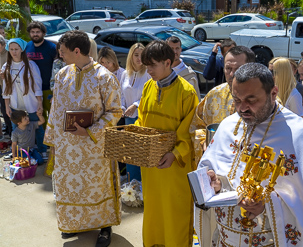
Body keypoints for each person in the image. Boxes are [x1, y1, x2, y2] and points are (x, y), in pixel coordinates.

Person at [195, 63, 303, 246]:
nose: (242, 108)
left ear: (273, 93)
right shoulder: (228, 126)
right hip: (224, 239)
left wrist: (267, 204)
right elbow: (212, 169)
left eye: (251, 100)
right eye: (236, 99)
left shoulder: (300, 136)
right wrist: (214, 182)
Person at [43, 30, 122, 247]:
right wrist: (52, 142)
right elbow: (56, 110)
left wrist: (90, 131)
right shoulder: (62, 75)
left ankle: (105, 226)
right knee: (70, 187)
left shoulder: (105, 77)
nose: (60, 56)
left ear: (77, 51)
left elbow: (115, 112)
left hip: (94, 149)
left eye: (63, 52)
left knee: (97, 187)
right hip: (67, 148)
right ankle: (76, 223)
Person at [136, 40, 199, 246]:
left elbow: (192, 132)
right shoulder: (147, 86)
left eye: (152, 65)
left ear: (168, 63)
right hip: (151, 166)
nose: (149, 70)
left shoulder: (187, 92)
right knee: (153, 210)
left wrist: (174, 154)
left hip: (175, 167)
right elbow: (141, 120)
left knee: (175, 213)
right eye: (146, 66)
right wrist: (136, 137)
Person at [190, 46, 255, 165]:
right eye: (228, 68)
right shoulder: (214, 94)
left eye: (238, 69)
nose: (232, 74)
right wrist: (204, 142)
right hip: (217, 166)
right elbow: (197, 126)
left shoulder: (265, 99)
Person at [2, 38, 44, 149]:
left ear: (22, 49)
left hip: (31, 103)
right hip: (15, 104)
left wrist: (40, 103)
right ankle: (19, 151)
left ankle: (41, 149)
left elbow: (37, 85)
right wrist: (7, 106)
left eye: (16, 49)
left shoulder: (31, 65)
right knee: (16, 128)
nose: (14, 52)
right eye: (11, 49)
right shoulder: (6, 67)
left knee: (37, 127)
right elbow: (6, 89)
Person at [120, 43, 151, 181]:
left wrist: (135, 105)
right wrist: (121, 107)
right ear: (131, 56)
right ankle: (130, 186)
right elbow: (121, 93)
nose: (139, 58)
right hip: (128, 119)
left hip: (142, 118)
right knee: (129, 153)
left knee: (141, 153)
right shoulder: (125, 74)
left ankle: (141, 186)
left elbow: (149, 95)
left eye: (141, 55)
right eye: (136, 55)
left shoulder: (148, 74)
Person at [25, 21, 57, 133]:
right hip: (33, 89)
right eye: (33, 32)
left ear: (43, 33)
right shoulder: (27, 46)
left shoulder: (52, 48)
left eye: (38, 32)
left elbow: (58, 67)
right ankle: (44, 139)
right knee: (39, 115)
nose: (35, 34)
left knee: (52, 114)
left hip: (48, 88)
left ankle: (53, 138)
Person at [0, 35, 12, 138]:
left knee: (9, 108)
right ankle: (9, 130)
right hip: (1, 85)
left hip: (9, 85)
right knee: (4, 110)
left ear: (4, 45)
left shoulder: (9, 53)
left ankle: (13, 131)